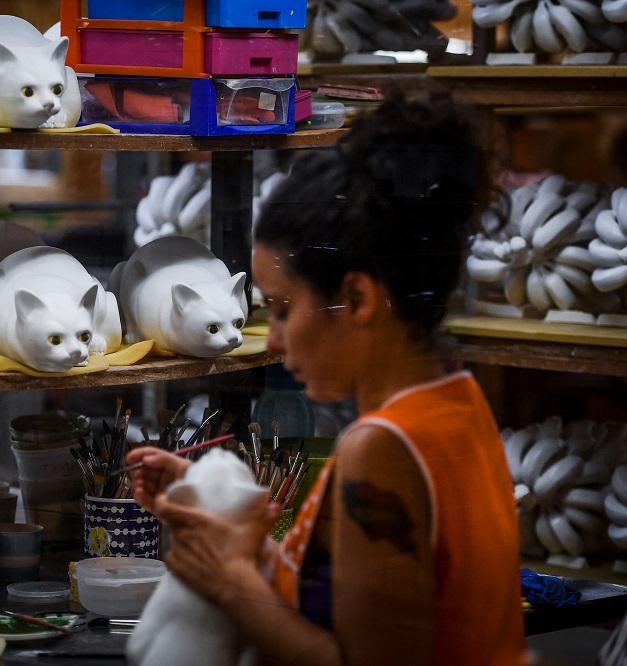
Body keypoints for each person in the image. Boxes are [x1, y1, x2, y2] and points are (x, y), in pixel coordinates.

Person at [125, 87, 527, 666]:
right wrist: (218, 508)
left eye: (285, 308)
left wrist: (230, 585)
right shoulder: (457, 401)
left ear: (357, 298)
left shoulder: (381, 449)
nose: (277, 340)